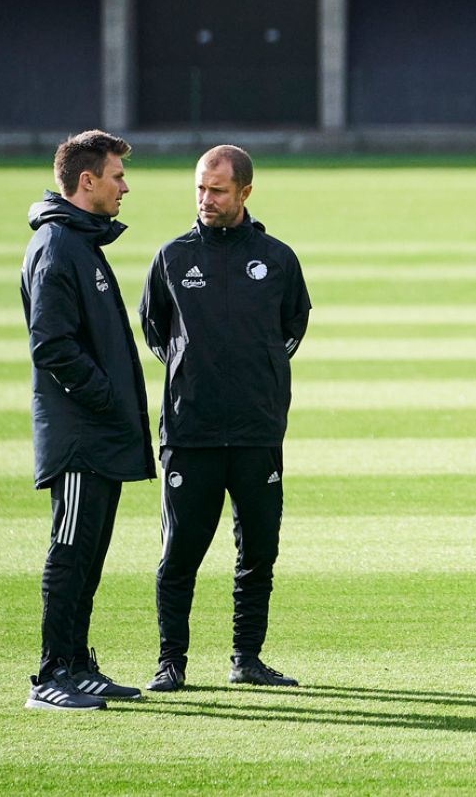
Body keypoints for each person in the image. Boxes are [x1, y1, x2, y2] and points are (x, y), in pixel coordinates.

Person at [139, 144, 312, 692]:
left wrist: (254, 376)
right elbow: (155, 330)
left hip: (258, 430)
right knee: (179, 555)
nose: (205, 198)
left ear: (245, 192)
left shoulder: (278, 259)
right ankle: (171, 662)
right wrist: (195, 376)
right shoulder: (171, 257)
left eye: (216, 189)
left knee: (258, 549)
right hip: (191, 432)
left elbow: (292, 328)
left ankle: (246, 658)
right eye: (199, 188)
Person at [20, 129, 155, 711]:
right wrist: (104, 398)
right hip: (79, 436)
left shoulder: (81, 243)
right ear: (87, 181)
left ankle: (78, 663)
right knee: (70, 548)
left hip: (99, 433)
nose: (125, 186)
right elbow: (51, 345)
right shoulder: (57, 246)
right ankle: (51, 675)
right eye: (117, 175)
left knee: (91, 549)